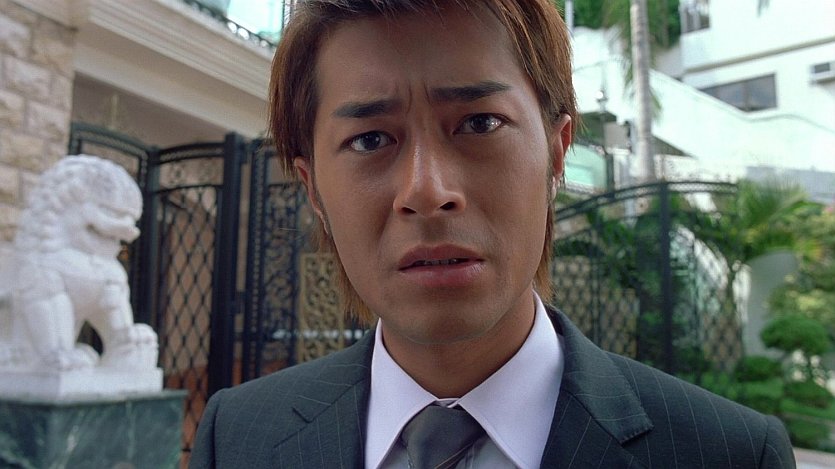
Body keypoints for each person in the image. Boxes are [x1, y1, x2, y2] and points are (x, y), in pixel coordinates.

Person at [190, 0, 796, 467]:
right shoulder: (238, 437)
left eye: (480, 123)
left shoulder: (729, 454)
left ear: (557, 153)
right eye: (370, 139)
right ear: (313, 188)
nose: (427, 191)